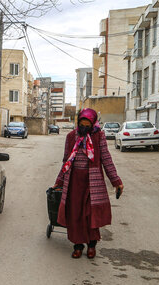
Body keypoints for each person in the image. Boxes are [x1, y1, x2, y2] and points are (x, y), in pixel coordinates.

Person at [53, 108, 124, 259]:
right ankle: (78, 246)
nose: (84, 127)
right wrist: (59, 181)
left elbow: (106, 159)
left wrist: (116, 181)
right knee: (75, 215)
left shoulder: (99, 136)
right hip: (74, 183)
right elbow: (66, 161)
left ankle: (92, 245)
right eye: (82, 124)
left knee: (91, 214)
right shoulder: (71, 136)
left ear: (93, 124)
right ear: (78, 123)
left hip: (93, 182)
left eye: (87, 124)